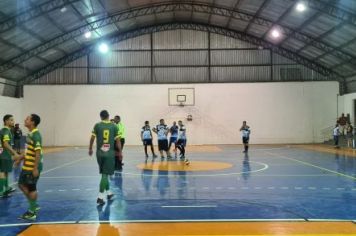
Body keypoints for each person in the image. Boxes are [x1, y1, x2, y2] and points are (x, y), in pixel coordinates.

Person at [89, 110, 122, 205]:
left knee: (105, 174)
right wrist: (120, 152)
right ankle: (100, 197)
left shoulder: (97, 125)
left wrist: (90, 149)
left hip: (99, 153)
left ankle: (109, 193)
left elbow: (92, 138)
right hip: (109, 154)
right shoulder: (114, 126)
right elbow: (118, 141)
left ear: (101, 117)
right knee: (105, 174)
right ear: (108, 116)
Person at [17, 114, 42, 221]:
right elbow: (28, 151)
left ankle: (32, 212)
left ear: (32, 122)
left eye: (27, 118)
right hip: (26, 166)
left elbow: (38, 153)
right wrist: (20, 159)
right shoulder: (30, 134)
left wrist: (35, 168)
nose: (25, 120)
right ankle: (34, 205)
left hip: (32, 167)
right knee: (21, 184)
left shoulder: (36, 135)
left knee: (31, 188)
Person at [0, 115, 20, 198]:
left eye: (13, 120)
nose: (13, 121)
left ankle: (6, 187)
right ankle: (1, 191)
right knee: (2, 172)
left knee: (6, 171)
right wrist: (14, 153)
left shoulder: (8, 130)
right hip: (4, 154)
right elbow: (5, 144)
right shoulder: (5, 130)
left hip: (6, 154)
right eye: (11, 120)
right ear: (6, 121)